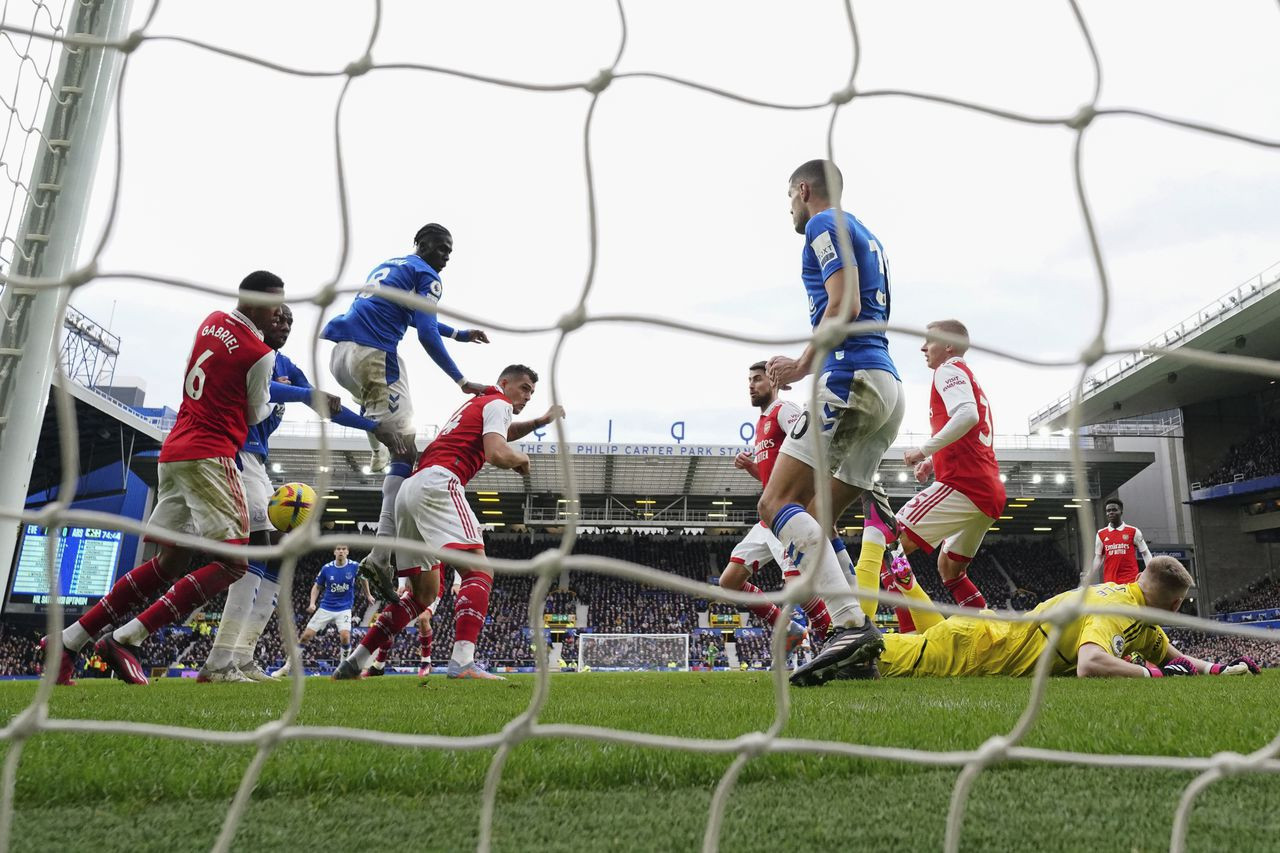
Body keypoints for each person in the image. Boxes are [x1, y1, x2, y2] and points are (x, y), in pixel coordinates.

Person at [43, 271, 283, 685]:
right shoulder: (260, 353)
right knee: (234, 564)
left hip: (174, 452)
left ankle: (68, 640)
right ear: (254, 300)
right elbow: (255, 414)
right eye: (276, 305)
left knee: (169, 561)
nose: (279, 313)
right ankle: (125, 639)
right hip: (211, 455)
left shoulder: (210, 321)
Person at [759, 159, 905, 688]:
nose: (790, 209)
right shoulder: (867, 234)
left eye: (789, 198)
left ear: (803, 190)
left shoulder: (824, 224)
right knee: (818, 512)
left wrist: (800, 365)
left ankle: (848, 627)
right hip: (886, 384)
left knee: (776, 503)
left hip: (850, 378)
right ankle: (858, 645)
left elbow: (842, 303)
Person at [198, 306, 401, 683]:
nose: (285, 325)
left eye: (290, 320)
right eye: (278, 317)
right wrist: (306, 392)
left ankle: (241, 655)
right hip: (228, 453)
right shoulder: (244, 350)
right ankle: (220, 659)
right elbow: (278, 391)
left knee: (275, 550)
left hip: (255, 460)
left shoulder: (287, 364)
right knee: (257, 549)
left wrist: (373, 427)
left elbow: (321, 403)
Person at [332, 364, 564, 681]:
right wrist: (519, 460)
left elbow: (503, 432)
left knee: (422, 596)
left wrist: (539, 422)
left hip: (410, 491)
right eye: (523, 388)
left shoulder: (480, 404)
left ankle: (355, 662)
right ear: (504, 382)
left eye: (532, 393)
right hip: (441, 483)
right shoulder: (498, 404)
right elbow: (497, 452)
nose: (527, 396)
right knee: (479, 569)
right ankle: (463, 662)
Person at [321, 224, 490, 599]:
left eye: (449, 251)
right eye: (440, 247)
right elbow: (425, 333)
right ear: (420, 244)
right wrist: (462, 381)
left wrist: (460, 335)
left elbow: (416, 316)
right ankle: (381, 557)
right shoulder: (427, 275)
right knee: (405, 450)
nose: (445, 256)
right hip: (375, 355)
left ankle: (380, 451)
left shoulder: (391, 266)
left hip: (341, 356)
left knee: (397, 444)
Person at [858, 556, 1261, 679]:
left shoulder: (1139, 615)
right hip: (979, 650)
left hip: (986, 634)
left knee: (910, 645)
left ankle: (906, 583)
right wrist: (1150, 675)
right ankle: (842, 629)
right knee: (872, 658)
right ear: (1175, 607)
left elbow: (1171, 656)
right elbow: (1090, 664)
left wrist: (1218, 670)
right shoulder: (1118, 610)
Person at [873, 319, 1006, 633]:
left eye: (928, 340)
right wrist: (934, 460)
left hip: (964, 485)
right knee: (950, 570)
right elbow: (972, 427)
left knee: (887, 544)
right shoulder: (967, 376)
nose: (923, 347)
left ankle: (910, 635)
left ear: (947, 344)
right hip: (986, 491)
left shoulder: (947, 370)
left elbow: (967, 415)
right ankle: (988, 637)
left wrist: (922, 450)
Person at [715, 361, 828, 653]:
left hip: (789, 513)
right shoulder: (762, 422)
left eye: (757, 379)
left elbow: (811, 448)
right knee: (729, 582)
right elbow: (773, 478)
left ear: (773, 381)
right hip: (768, 516)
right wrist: (753, 467)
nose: (751, 385)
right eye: (749, 381)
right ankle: (788, 627)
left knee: (796, 588)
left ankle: (831, 637)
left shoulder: (785, 411)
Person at [272, 545, 367, 676]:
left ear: (347, 552)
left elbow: (363, 578)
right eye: (338, 549)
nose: (341, 551)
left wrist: (368, 595)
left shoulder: (354, 566)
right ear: (334, 552)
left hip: (344, 608)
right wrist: (312, 603)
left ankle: (342, 670)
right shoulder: (327, 568)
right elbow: (317, 587)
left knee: (345, 637)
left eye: (344, 549)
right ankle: (286, 667)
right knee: (306, 637)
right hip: (326, 607)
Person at [1092, 498, 1154, 585]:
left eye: (1114, 510)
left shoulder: (1133, 531)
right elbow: (1099, 557)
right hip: (1110, 582)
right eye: (1108, 511)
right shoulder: (1101, 534)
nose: (1110, 513)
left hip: (1130, 581)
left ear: (1121, 511)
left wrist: (1152, 571)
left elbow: (1145, 553)